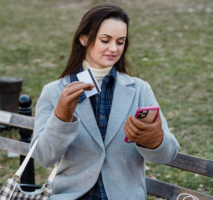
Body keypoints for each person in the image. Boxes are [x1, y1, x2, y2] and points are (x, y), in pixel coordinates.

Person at [30, 3, 180, 200]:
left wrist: (155, 140)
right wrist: (61, 118)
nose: (113, 49)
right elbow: (44, 157)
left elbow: (168, 154)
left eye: (120, 42)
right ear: (84, 39)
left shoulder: (139, 90)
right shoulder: (54, 91)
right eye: (105, 40)